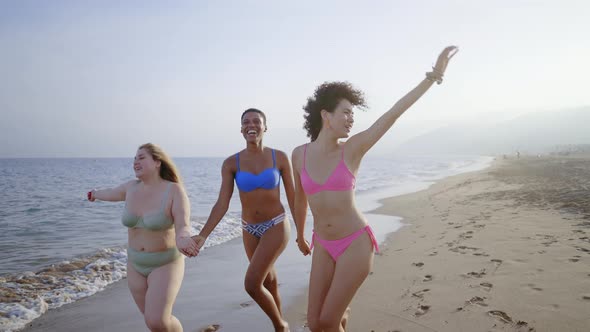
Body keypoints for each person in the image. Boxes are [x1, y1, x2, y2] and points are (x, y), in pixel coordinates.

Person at [291, 46, 458, 331]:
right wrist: (300, 235)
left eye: (353, 114)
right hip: (322, 245)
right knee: (316, 323)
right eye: (346, 112)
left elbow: (392, 115)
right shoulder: (299, 154)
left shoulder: (353, 149)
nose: (351, 119)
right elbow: (299, 199)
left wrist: (433, 77)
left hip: (354, 243)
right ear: (325, 115)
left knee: (328, 322)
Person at [191, 108, 296, 332]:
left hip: (276, 224)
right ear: (241, 129)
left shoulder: (280, 157)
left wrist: (303, 235)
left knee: (251, 284)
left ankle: (281, 326)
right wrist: (203, 235)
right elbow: (222, 203)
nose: (251, 125)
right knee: (268, 281)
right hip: (249, 229)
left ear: (265, 127)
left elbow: (294, 198)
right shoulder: (231, 163)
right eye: (246, 122)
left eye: (256, 121)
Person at [87, 143, 198, 332]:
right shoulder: (131, 188)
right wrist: (95, 194)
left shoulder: (174, 190)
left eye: (141, 158)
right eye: (134, 159)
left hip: (165, 264)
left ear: (157, 162)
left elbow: (183, 224)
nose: (135, 162)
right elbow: (112, 193)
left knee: (157, 321)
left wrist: (184, 238)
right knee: (152, 322)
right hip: (135, 264)